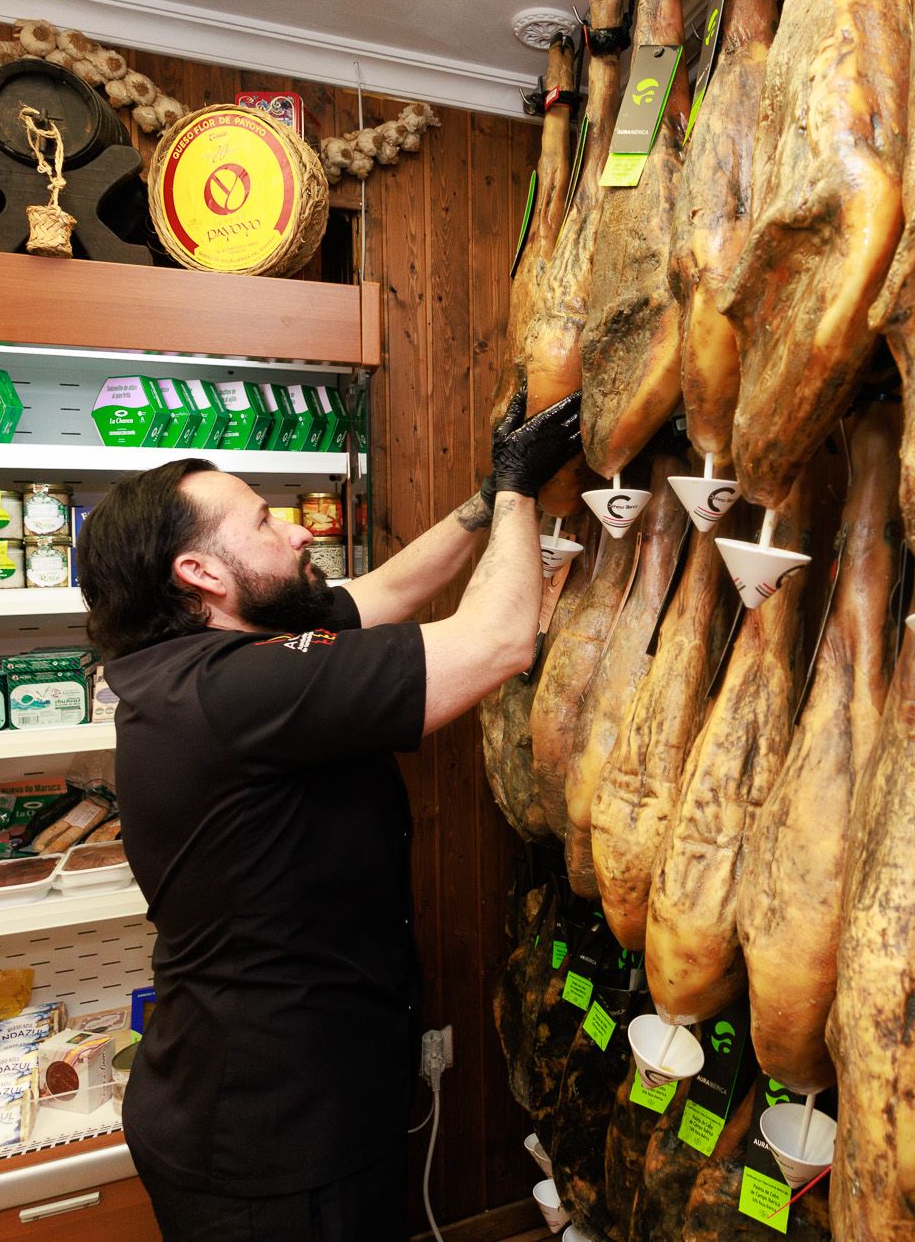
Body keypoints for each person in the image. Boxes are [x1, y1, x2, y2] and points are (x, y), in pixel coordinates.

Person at [76, 388, 583, 1241]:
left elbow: (384, 589)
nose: (298, 530)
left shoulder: (212, 659)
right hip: (269, 1142)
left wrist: (488, 492)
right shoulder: (234, 689)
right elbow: (498, 642)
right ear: (199, 574)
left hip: (278, 1100)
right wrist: (524, 490)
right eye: (264, 524)